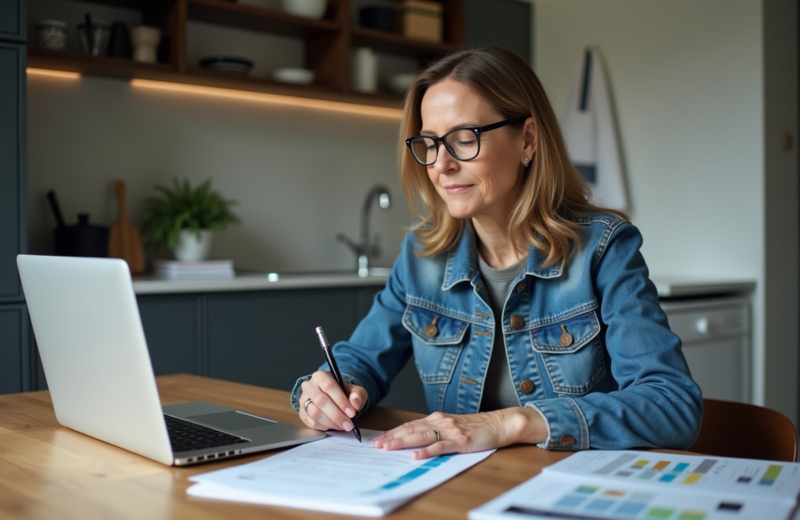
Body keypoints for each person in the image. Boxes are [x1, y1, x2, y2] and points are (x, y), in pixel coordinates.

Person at [291, 46, 702, 459]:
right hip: (462, 488)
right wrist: (330, 388)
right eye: (430, 143)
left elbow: (672, 404)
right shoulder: (422, 255)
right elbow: (362, 358)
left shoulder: (603, 248)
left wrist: (510, 422)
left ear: (527, 139)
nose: (441, 164)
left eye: (464, 139)